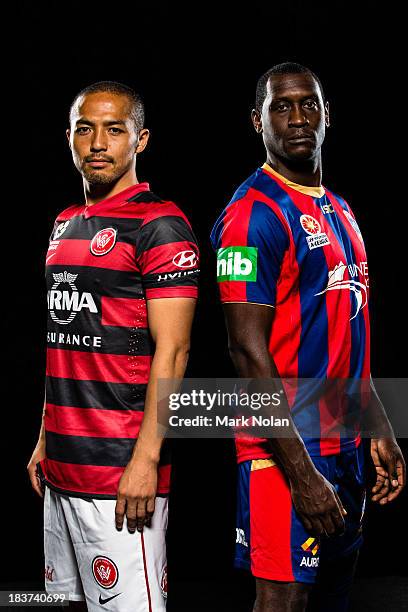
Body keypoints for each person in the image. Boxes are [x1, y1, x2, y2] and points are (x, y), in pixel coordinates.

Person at [210, 63, 405, 612]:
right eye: (281, 106)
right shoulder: (252, 216)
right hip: (285, 453)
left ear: (327, 116)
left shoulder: (340, 210)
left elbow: (351, 332)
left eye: (309, 105)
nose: (298, 118)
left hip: (343, 443)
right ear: (257, 122)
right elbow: (246, 353)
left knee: (333, 600)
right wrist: (301, 473)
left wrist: (379, 426)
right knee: (284, 603)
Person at [27, 81, 199, 611]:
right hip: (61, 469)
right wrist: (43, 438)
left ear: (140, 140)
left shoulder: (161, 224)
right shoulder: (64, 224)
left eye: (114, 129)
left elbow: (174, 353)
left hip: (120, 472)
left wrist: (146, 460)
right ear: (70, 139)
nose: (98, 142)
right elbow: (65, 342)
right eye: (85, 129)